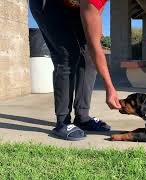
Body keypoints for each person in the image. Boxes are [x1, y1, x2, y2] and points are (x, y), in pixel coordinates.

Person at [29, 0, 121, 141]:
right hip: (48, 5)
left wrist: (93, 31)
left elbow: (94, 29)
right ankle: (63, 121)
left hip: (73, 7)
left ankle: (82, 117)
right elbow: (94, 46)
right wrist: (109, 86)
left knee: (88, 59)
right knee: (67, 55)